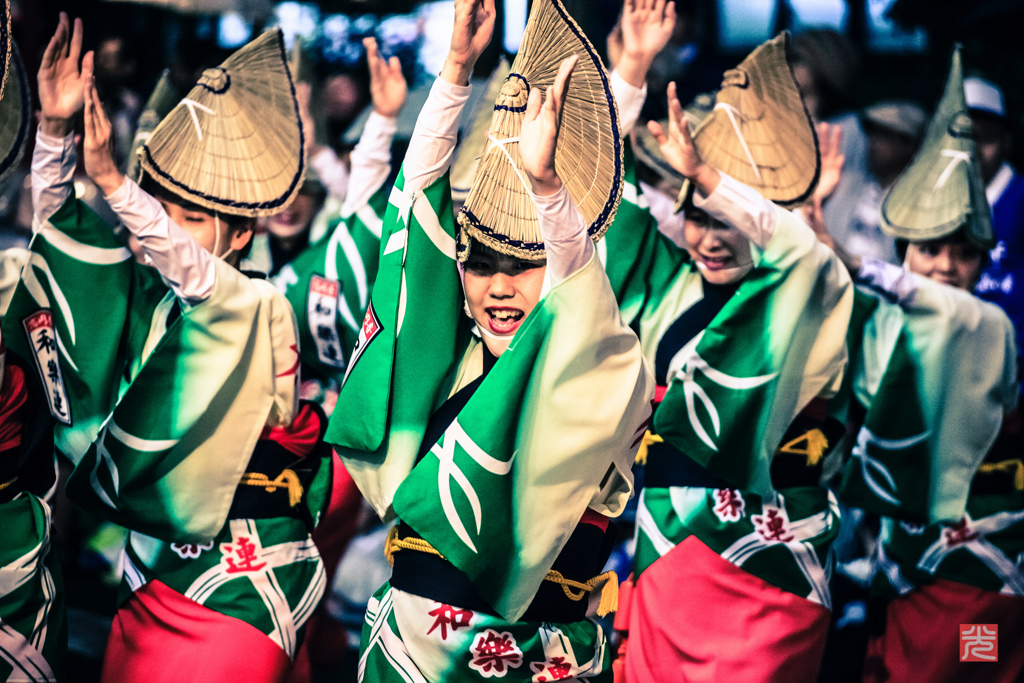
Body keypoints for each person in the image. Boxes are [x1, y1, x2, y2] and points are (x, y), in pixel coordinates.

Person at [327, 0, 653, 680]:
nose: (498, 287)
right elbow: (413, 213)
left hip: (535, 656)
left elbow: (581, 280)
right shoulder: (443, 360)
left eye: (524, 267)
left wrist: (546, 188)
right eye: (481, 264)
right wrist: (453, 75)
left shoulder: (592, 362)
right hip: (411, 650)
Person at [11, 15, 335, 682]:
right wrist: (52, 133)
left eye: (186, 216)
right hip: (149, 576)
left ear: (241, 234)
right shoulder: (144, 301)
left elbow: (201, 279)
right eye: (157, 211)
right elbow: (62, 256)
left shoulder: (257, 310)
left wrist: (115, 184)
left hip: (239, 586)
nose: (156, 231)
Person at [609, 33, 854, 682]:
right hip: (670, 548)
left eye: (729, 219)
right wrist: (630, 73)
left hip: (772, 560)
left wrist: (711, 180)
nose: (711, 238)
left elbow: (800, 252)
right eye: (697, 216)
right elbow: (608, 205)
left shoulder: (805, 291)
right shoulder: (665, 286)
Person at [808, 48, 1022, 683]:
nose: (947, 268)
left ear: (985, 266)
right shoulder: (875, 326)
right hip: (894, 566)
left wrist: (843, 257)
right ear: (904, 255)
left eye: (964, 254)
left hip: (983, 574)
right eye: (929, 250)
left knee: (971, 670)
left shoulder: (990, 328)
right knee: (892, 668)